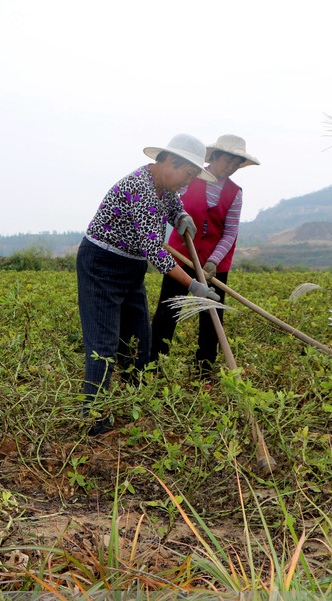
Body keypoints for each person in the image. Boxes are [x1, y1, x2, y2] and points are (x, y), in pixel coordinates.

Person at [78, 134, 220, 436]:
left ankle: (134, 404)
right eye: (188, 174)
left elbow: (172, 205)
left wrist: (181, 215)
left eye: (193, 177)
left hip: (131, 267)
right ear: (171, 161)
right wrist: (194, 284)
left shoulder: (164, 185)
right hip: (102, 264)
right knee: (104, 345)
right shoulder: (140, 187)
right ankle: (95, 420)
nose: (188, 182)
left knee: (139, 341)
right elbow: (155, 252)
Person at [150, 134, 260, 378]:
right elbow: (171, 206)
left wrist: (213, 261)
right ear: (215, 157)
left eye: (236, 164)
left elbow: (230, 232)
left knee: (212, 318)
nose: (231, 167)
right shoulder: (189, 178)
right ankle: (152, 365)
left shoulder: (235, 193)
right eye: (228, 160)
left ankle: (204, 370)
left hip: (214, 264)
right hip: (181, 258)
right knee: (168, 312)